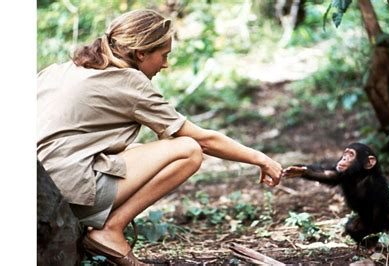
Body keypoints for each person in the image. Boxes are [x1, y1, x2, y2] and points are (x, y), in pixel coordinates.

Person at [37, 9, 282, 265]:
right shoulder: (129, 81)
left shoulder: (60, 70)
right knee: (187, 149)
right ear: (141, 53)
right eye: (163, 55)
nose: (165, 65)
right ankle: (110, 231)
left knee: (139, 150)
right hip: (67, 193)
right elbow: (203, 140)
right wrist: (261, 159)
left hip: (40, 187)